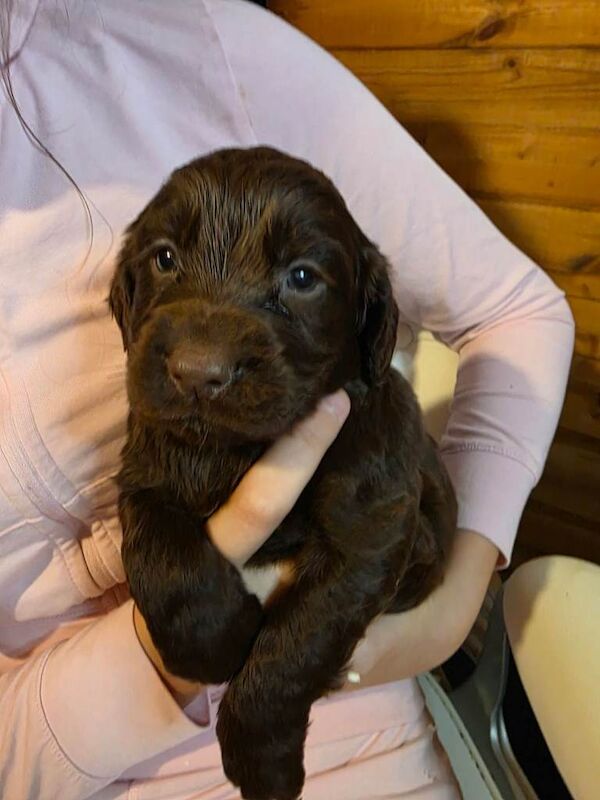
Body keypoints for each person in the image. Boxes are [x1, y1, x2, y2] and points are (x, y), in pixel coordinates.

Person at [0, 1, 574, 798]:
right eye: (165, 261)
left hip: (354, 730)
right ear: (127, 297)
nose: (200, 358)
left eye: (300, 279)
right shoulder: (156, 427)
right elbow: (147, 502)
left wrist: (446, 614)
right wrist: (159, 654)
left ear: (370, 322)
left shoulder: (194, 40)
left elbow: (519, 312)